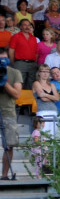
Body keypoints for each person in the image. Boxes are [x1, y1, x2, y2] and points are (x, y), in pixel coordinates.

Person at [0, 48, 22, 180]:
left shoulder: (14, 73)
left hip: (8, 111)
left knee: (9, 144)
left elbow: (16, 94)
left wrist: (5, 83)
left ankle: (4, 175)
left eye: (4, 59)